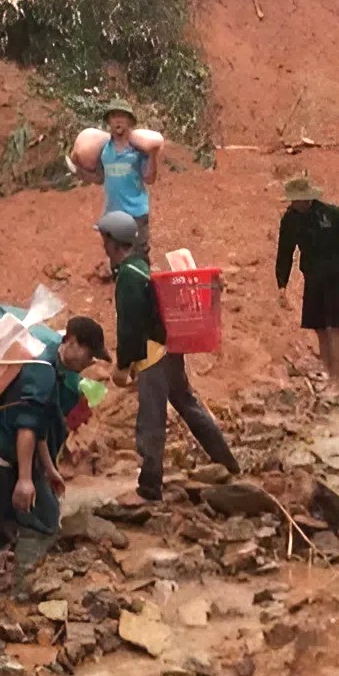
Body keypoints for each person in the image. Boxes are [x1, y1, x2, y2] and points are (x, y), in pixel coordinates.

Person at [0, 315, 110, 599]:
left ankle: (7, 570)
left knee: (41, 518)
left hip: (5, 458)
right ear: (72, 342)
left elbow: (37, 428)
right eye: (90, 354)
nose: (91, 363)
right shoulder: (43, 372)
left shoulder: (52, 367)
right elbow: (26, 427)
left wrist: (49, 469)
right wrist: (26, 480)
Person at [97, 211, 240, 497]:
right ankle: (227, 462)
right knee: (187, 403)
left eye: (103, 238)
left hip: (152, 353)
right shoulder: (141, 265)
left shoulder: (128, 276)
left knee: (151, 417)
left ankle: (150, 484)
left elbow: (130, 324)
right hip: (170, 347)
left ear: (112, 243)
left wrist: (123, 364)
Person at [275, 175, 339, 397]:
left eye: (298, 200)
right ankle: (329, 377)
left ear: (308, 198)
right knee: (319, 328)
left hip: (337, 276)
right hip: (313, 277)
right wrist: (282, 284)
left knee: (333, 327)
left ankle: (338, 380)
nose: (295, 204)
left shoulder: (330, 213)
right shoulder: (290, 220)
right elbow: (285, 252)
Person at [75, 99, 160, 262]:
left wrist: (153, 155)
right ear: (109, 121)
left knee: (138, 259)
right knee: (116, 259)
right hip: (113, 213)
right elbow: (100, 178)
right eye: (114, 116)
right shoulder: (105, 151)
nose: (118, 120)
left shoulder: (137, 150)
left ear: (129, 121)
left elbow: (149, 178)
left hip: (136, 213)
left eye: (122, 116)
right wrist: (79, 170)